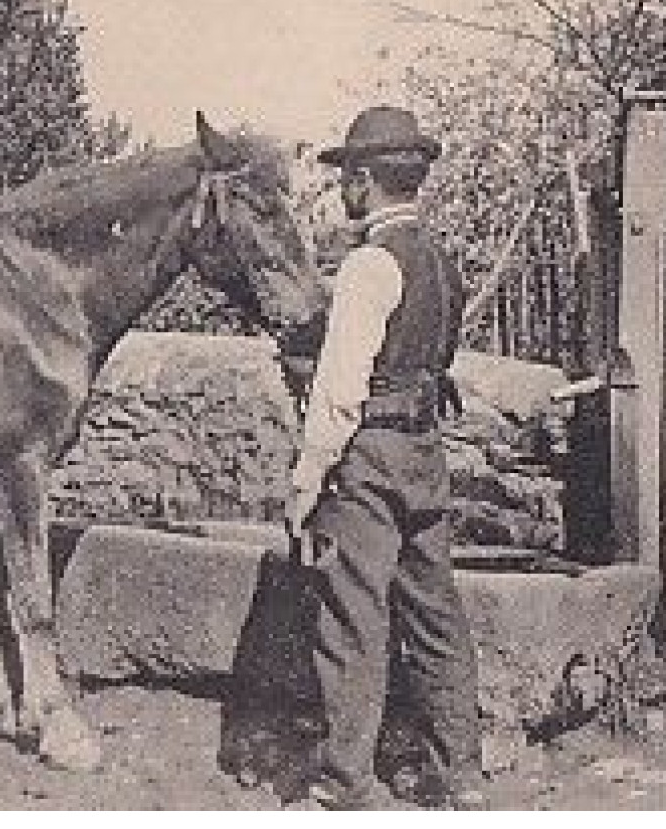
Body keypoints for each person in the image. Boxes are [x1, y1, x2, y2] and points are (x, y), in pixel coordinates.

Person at [284, 105, 486, 811]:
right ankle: (459, 774)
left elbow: (340, 386)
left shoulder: (369, 265)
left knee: (352, 617)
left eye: (344, 176)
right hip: (424, 452)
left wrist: (307, 477)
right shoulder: (442, 263)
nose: (340, 189)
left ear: (364, 182)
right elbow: (439, 364)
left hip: (366, 456)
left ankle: (346, 783)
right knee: (435, 612)